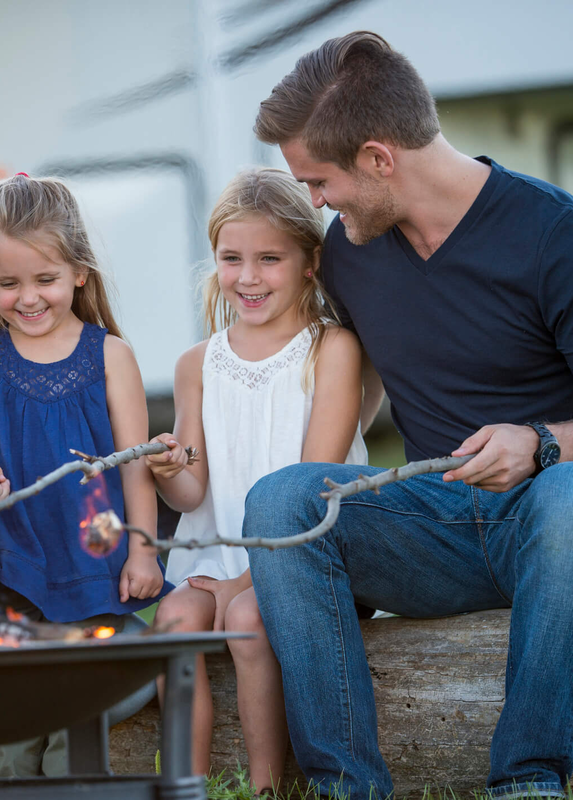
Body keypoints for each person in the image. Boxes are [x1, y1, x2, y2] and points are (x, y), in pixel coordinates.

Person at [244, 31, 573, 800]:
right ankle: (348, 787)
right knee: (281, 500)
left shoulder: (558, 238)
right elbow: (360, 384)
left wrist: (540, 445)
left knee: (572, 499)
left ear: (378, 159)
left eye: (319, 180)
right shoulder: (351, 250)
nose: (315, 203)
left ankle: (526, 782)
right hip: (441, 523)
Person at [144, 167, 367, 792]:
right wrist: (168, 474)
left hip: (306, 555)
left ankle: (265, 784)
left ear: (308, 261)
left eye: (270, 258)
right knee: (175, 621)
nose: (248, 276)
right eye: (231, 258)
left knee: (247, 617)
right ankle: (185, 784)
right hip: (214, 558)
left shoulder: (332, 349)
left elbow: (315, 483)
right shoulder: (198, 364)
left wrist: (246, 578)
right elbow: (192, 491)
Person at [0, 173, 171, 777]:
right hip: (16, 557)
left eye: (45, 280)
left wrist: (143, 552)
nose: (28, 297)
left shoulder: (110, 355)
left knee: (75, 708)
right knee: (15, 712)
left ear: (79, 272)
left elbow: (135, 466)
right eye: (8, 283)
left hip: (92, 553)